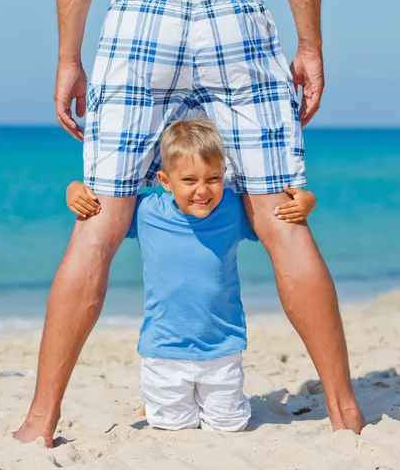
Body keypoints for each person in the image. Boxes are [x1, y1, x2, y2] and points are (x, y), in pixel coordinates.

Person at [14, 0, 366, 447]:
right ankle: (345, 412)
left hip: (141, 24)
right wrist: (311, 46)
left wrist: (68, 58)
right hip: (235, 22)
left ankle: (41, 420)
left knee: (96, 230)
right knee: (284, 225)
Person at [66, 118, 317, 431]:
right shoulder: (146, 211)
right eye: (189, 180)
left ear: (224, 175)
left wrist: (308, 201)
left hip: (222, 347)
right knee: (174, 427)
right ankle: (158, 400)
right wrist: (73, 189)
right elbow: (99, 208)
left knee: (230, 426)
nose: (202, 190)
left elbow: (280, 215)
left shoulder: (234, 209)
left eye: (213, 178)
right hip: (164, 350)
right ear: (165, 181)